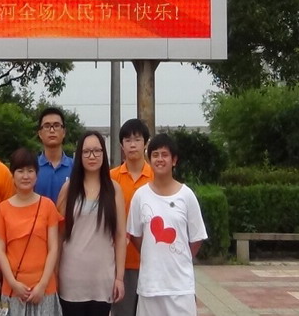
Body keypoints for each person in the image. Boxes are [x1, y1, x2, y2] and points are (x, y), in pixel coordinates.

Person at [127, 134, 207, 316]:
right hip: (150, 287)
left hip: (180, 288)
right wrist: (152, 254)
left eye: (165, 155)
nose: (160, 159)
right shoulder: (140, 196)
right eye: (155, 155)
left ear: (174, 160)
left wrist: (180, 257)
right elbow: (135, 236)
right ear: (149, 160)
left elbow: (197, 238)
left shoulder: (186, 195)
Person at [56, 131, 126, 316]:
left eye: (97, 151)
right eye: (86, 152)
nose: (92, 156)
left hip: (103, 280)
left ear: (103, 153)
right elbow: (58, 235)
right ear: (79, 156)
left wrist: (119, 278)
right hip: (71, 280)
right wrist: (53, 274)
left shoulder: (114, 190)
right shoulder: (68, 189)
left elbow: (120, 235)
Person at [0, 148, 62, 316]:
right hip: (13, 289)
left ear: (37, 175)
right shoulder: (2, 209)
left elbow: (53, 248)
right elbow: (0, 250)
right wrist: (13, 283)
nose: (25, 176)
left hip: (44, 289)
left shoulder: (47, 206)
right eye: (20, 171)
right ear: (12, 175)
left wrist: (42, 285)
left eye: (30, 171)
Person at [109, 119, 153, 316]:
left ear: (146, 143)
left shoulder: (156, 177)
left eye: (137, 139)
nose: (132, 144)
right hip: (121, 263)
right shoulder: (111, 178)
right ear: (121, 146)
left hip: (151, 262)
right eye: (127, 140)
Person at [34, 107, 73, 204]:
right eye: (47, 126)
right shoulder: (31, 168)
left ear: (64, 132)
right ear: (40, 134)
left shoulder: (76, 167)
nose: (52, 130)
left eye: (56, 125)